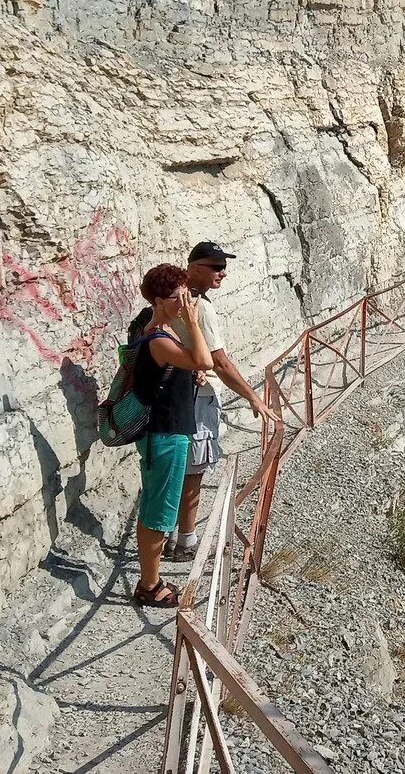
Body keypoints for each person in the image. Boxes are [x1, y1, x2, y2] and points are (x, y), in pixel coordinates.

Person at [164, 241, 280, 562]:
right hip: (196, 399)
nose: (223, 273)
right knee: (194, 469)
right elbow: (221, 364)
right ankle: (187, 541)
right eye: (215, 266)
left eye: (223, 266)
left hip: (172, 397)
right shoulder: (201, 308)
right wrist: (254, 397)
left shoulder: (173, 299)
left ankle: (169, 537)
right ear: (194, 267)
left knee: (176, 467)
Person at [129, 263, 214, 607]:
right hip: (165, 433)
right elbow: (205, 360)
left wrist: (189, 375)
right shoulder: (159, 338)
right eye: (180, 296)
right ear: (161, 300)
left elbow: (189, 366)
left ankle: (151, 578)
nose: (186, 302)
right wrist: (193, 324)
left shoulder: (154, 331)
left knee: (155, 506)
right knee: (157, 512)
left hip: (164, 432)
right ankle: (149, 586)